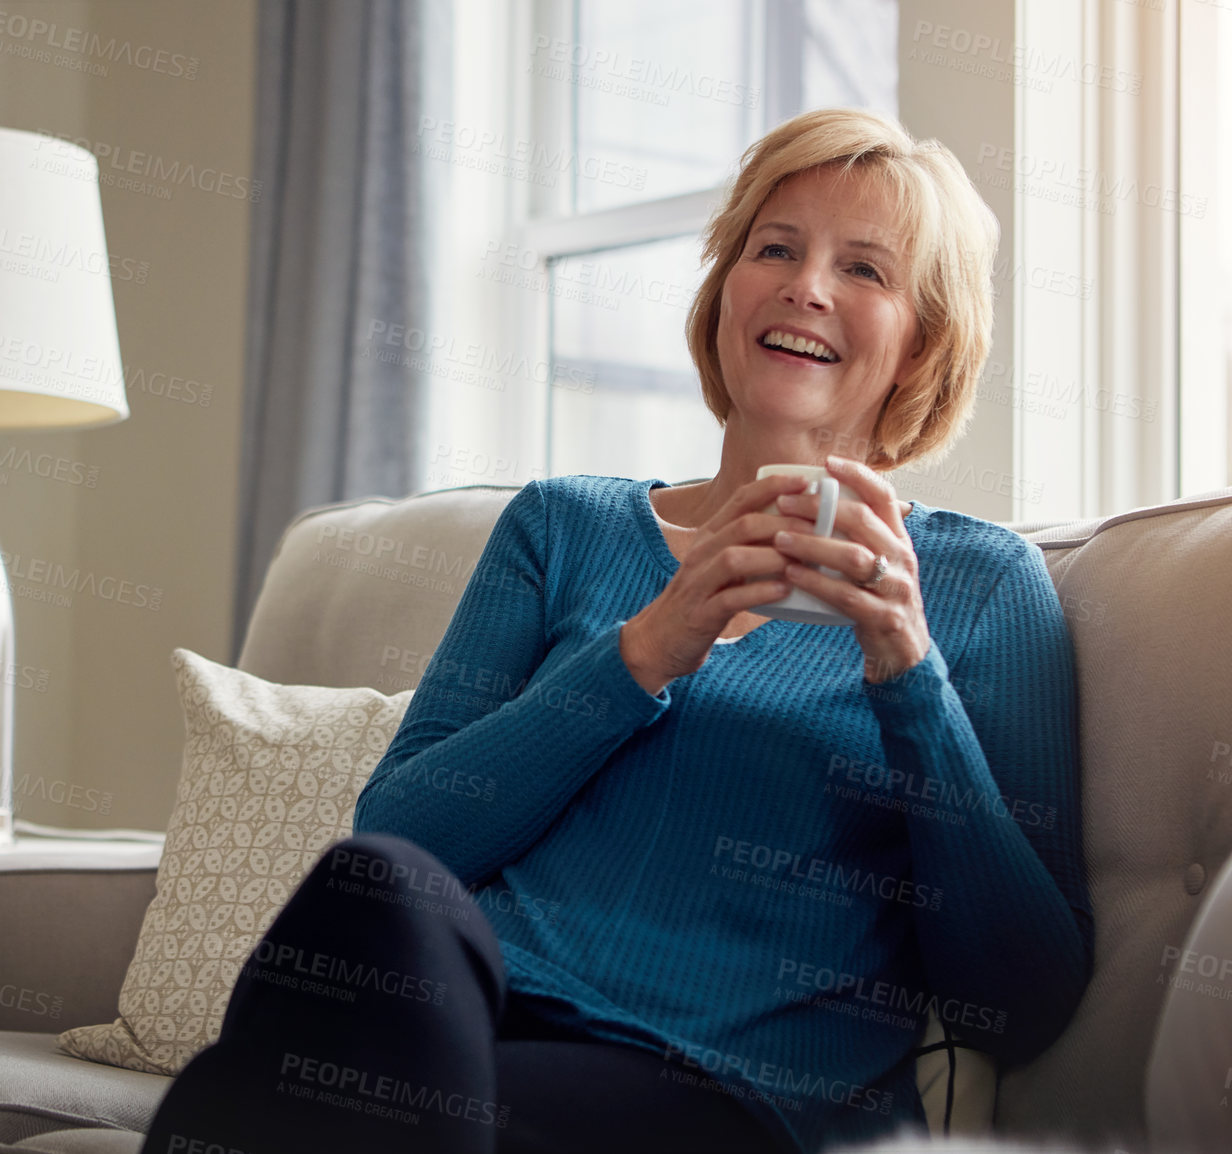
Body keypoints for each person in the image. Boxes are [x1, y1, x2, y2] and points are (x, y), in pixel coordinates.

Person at [142, 107, 1093, 1154]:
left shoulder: (981, 587)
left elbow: (1019, 999)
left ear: (923, 346)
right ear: (723, 292)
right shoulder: (563, 526)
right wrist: (645, 649)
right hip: (458, 1022)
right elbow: (406, 830)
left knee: (283, 1107)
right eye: (772, 247)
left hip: (730, 1094)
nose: (804, 285)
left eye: (863, 269)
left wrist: (907, 673)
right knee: (380, 891)